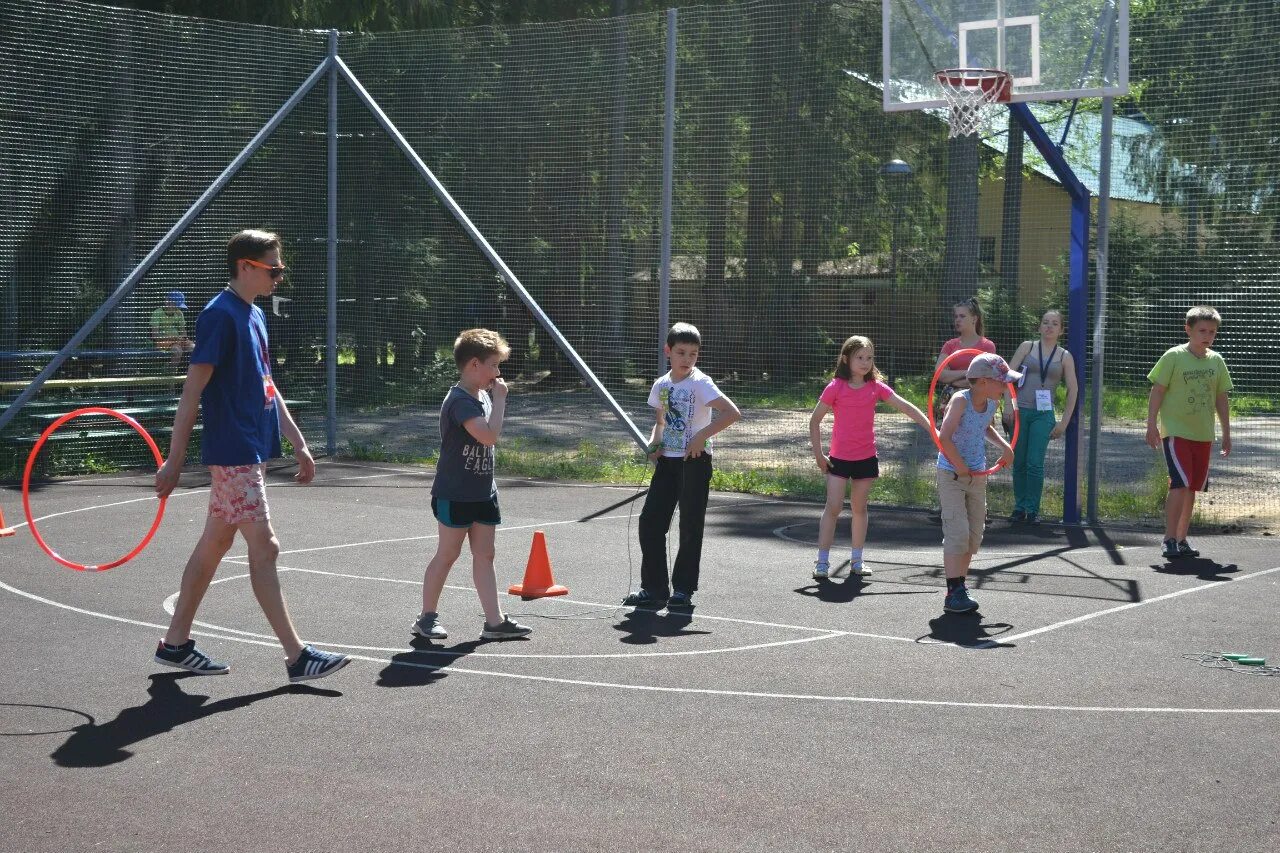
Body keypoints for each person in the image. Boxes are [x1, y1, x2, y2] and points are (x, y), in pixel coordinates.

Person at [154, 229, 350, 682]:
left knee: (216, 543)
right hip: (234, 453)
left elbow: (266, 384)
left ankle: (176, 642)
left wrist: (297, 440)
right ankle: (297, 656)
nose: (279, 276)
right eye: (273, 268)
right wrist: (175, 458)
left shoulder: (255, 315)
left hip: (251, 450)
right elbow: (192, 392)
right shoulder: (218, 316)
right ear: (245, 265)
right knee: (265, 548)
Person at [413, 328, 533, 642]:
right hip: (455, 493)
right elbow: (489, 436)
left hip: (483, 490)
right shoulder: (460, 401)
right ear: (474, 365)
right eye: (493, 365)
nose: (498, 372)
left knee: (485, 555)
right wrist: (502, 400)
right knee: (448, 554)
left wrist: (494, 399)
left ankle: (494, 622)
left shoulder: (481, 396)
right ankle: (426, 617)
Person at [623, 322, 741, 612]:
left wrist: (701, 436)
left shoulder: (701, 383)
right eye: (681, 353)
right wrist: (654, 444)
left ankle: (683, 590)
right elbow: (660, 423)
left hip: (695, 463)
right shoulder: (661, 385)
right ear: (668, 352)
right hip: (668, 462)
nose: (687, 359)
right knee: (650, 523)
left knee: (689, 525)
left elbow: (731, 412)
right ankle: (653, 588)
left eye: (693, 354)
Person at [808, 335, 934, 580]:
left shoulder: (876, 387)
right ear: (846, 359)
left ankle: (857, 560)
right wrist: (819, 455)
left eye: (869, 358)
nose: (865, 362)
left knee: (859, 508)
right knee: (833, 507)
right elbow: (814, 422)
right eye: (859, 357)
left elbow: (906, 407)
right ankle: (822, 562)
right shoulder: (836, 386)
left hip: (865, 458)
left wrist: (931, 428)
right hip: (839, 459)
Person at [1145, 306, 1232, 561]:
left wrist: (1226, 432)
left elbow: (1221, 397)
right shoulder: (1173, 356)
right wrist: (1151, 424)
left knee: (1192, 488)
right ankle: (1169, 539)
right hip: (1176, 432)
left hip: (1203, 434)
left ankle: (1182, 539)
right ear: (1189, 330)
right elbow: (1158, 391)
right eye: (1202, 330)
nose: (1207, 336)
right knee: (1180, 484)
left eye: (1212, 332)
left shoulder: (1216, 361)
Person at [936, 353, 1018, 613]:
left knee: (973, 536)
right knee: (956, 532)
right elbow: (944, 437)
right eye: (1001, 382)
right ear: (983, 381)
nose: (1006, 387)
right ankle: (953, 591)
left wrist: (1005, 446)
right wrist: (960, 466)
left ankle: (960, 585)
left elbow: (985, 427)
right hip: (952, 474)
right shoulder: (961, 401)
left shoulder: (991, 403)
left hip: (977, 475)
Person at [1002, 309, 1079, 524]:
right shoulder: (1027, 347)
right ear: (1039, 326)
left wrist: (1063, 423)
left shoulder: (1065, 356)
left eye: (1054, 323)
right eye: (1045, 322)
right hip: (1019, 411)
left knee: (1035, 463)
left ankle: (1032, 509)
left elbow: (1073, 389)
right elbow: (1007, 375)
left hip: (1043, 415)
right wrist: (1008, 404)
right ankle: (1019, 507)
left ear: (1061, 330)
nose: (1049, 326)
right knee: (1019, 461)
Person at [932, 297, 997, 416]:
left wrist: (954, 379)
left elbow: (985, 378)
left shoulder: (987, 346)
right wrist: (968, 373)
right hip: (950, 399)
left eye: (962, 316)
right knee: (947, 433)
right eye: (956, 316)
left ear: (974, 319)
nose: (957, 320)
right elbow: (940, 374)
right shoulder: (949, 345)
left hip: (978, 399)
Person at [151, 290, 194, 369]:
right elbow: (155, 336)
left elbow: (183, 332)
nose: (177, 308)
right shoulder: (157, 313)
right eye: (175, 305)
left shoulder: (179, 313)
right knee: (177, 350)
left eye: (178, 306)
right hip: (163, 342)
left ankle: (190, 373)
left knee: (194, 348)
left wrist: (183, 339)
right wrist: (172, 338)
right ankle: (170, 372)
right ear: (168, 302)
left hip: (178, 341)